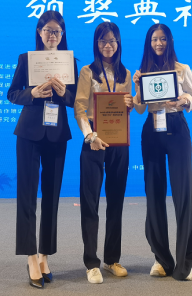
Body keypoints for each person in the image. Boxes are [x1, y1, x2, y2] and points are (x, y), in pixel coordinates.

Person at [7, 10, 78, 289]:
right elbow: (12, 93)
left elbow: (75, 100)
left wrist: (63, 93)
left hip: (57, 134)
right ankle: (30, 256)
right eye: (48, 30)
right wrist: (32, 93)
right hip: (29, 133)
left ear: (62, 34)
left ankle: (45, 255)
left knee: (51, 197)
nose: (52, 35)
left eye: (57, 31)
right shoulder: (27, 59)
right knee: (27, 195)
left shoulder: (69, 61)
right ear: (39, 32)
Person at [132, 23, 192, 281]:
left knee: (183, 195)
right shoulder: (143, 71)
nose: (158, 43)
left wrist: (185, 100)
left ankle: (187, 259)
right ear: (148, 43)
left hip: (177, 129)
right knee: (154, 195)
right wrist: (138, 87)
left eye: (162, 39)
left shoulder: (182, 69)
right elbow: (139, 109)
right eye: (154, 39)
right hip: (152, 130)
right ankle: (161, 258)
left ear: (169, 41)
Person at [74, 22, 134, 284]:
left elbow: (128, 107)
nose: (108, 45)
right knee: (90, 201)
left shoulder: (125, 73)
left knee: (116, 201)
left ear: (118, 43)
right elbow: (80, 107)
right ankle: (91, 262)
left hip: (119, 140)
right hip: (94, 139)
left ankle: (112, 259)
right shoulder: (87, 72)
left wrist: (130, 104)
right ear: (96, 44)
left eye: (112, 41)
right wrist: (90, 136)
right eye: (103, 41)